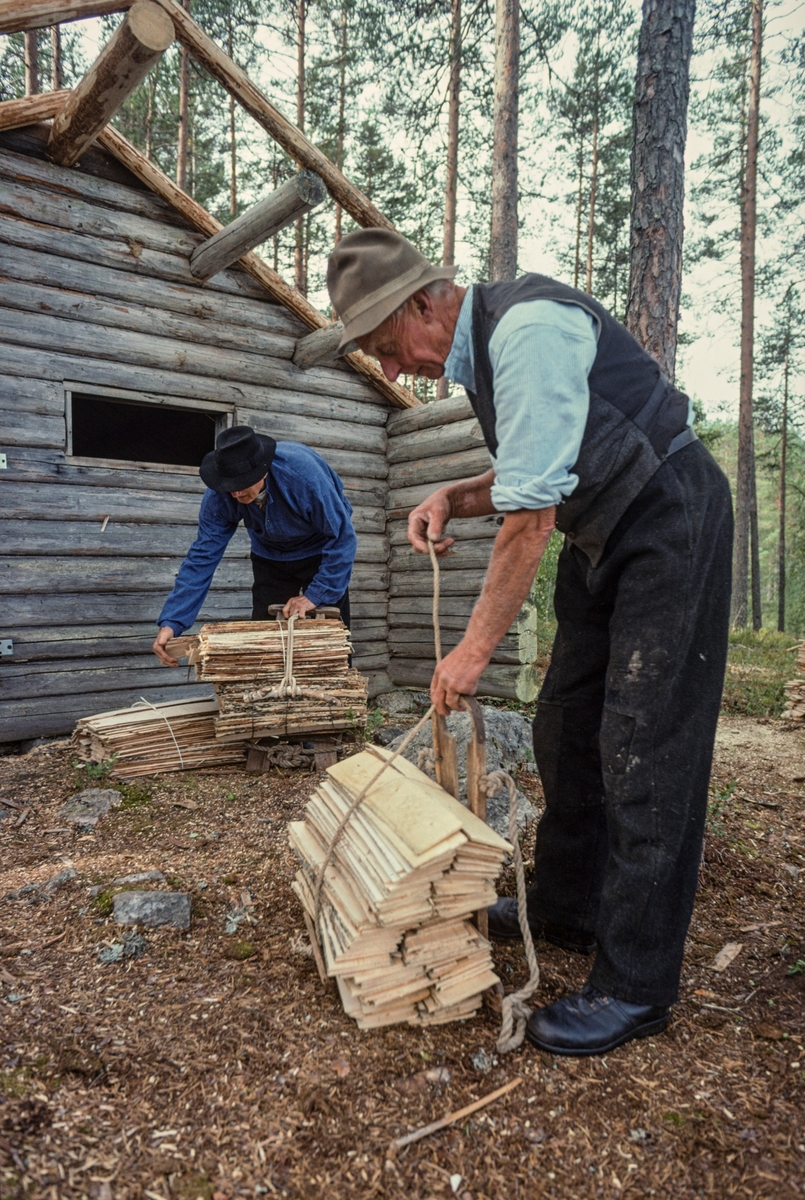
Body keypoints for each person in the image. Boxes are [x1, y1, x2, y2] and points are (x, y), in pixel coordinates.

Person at [326, 229, 733, 1057]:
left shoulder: (527, 332)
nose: (393, 370)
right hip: (604, 535)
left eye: (385, 346)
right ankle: (567, 906)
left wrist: (472, 651)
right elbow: (528, 473)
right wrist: (452, 495)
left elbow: (530, 519)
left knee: (644, 748)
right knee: (564, 723)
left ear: (420, 303)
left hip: (668, 519)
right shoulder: (486, 354)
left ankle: (634, 986)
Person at [152, 425, 357, 665]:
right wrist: (172, 621)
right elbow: (202, 556)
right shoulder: (221, 494)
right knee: (264, 640)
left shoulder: (304, 476)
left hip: (321, 551)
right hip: (270, 556)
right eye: (230, 486)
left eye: (242, 483)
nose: (236, 493)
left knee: (332, 641)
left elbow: (342, 537)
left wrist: (316, 595)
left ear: (263, 472)